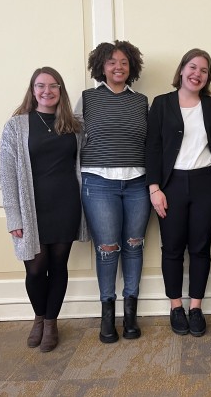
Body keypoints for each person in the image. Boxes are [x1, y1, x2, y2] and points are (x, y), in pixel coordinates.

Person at [0, 66, 88, 352]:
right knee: (36, 269)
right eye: (40, 86)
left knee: (58, 266)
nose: (47, 91)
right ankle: (38, 317)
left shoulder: (75, 125)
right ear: (32, 90)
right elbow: (7, 174)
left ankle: (51, 323)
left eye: (53, 86)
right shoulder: (16, 126)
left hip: (67, 205)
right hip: (31, 208)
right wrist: (14, 215)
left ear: (60, 90)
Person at [75, 41, 151, 343]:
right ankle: (107, 314)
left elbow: (150, 144)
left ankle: (130, 313)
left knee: (134, 246)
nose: (118, 67)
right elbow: (73, 138)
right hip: (99, 184)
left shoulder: (141, 101)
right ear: (101, 67)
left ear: (131, 66)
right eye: (111, 62)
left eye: (123, 62)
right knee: (107, 249)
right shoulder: (88, 99)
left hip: (138, 184)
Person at [146, 48, 211, 337]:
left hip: (206, 183)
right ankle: (175, 306)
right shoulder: (161, 104)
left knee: (200, 248)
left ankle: (195, 307)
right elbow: (152, 147)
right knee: (173, 248)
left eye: (204, 70)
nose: (197, 74)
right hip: (171, 185)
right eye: (193, 67)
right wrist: (154, 188)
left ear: (208, 77)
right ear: (181, 70)